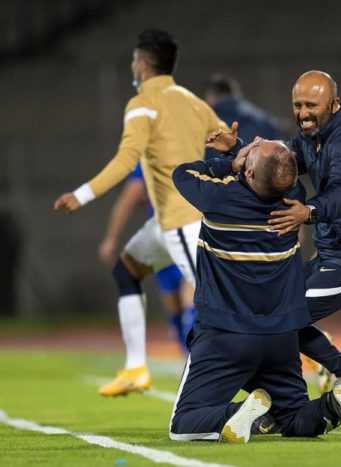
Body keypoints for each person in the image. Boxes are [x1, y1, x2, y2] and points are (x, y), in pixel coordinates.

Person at [53, 29, 228, 396]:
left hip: (184, 222)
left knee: (222, 306)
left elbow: (125, 160)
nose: (132, 65)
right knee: (127, 268)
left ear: (144, 64)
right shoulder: (194, 102)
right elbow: (229, 143)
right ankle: (135, 368)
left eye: (134, 60)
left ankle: (288, 371)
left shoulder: (142, 103)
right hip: (170, 222)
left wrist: (81, 195)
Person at [168, 138, 341, 442]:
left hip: (226, 336)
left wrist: (228, 161)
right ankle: (333, 405)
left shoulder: (218, 198)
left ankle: (238, 413)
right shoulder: (293, 197)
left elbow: (182, 174)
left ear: (248, 173)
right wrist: (246, 154)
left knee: (183, 424)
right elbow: (273, 170)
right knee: (293, 418)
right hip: (280, 339)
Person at [206, 70, 341, 408]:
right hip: (331, 253)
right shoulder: (312, 135)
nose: (303, 113)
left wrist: (307, 212)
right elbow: (279, 166)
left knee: (281, 317)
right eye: (297, 104)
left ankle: (315, 391)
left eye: (311, 105)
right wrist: (240, 150)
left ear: (334, 104)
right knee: (265, 310)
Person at [98, 163, 195, 353]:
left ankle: (191, 356)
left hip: (173, 234)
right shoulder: (153, 158)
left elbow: (128, 198)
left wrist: (111, 238)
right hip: (181, 234)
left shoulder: (150, 156)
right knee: (178, 302)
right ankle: (189, 351)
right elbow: (130, 198)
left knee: (187, 296)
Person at [203, 74, 283, 160]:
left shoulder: (208, 120)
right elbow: (281, 152)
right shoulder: (262, 117)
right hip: (261, 170)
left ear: (211, 96)